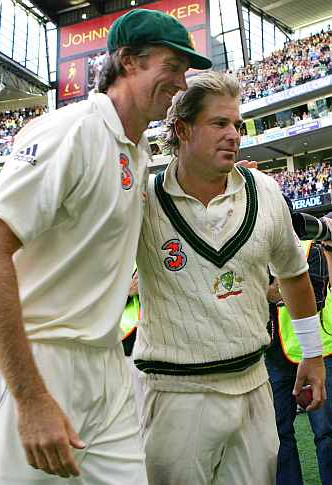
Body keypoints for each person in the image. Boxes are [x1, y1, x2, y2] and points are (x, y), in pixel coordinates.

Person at [0, 9, 211, 485]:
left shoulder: (136, 152)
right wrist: (31, 398)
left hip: (105, 363)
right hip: (39, 363)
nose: (181, 83)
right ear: (128, 61)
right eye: (172, 66)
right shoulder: (70, 131)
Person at [133, 71, 326, 485]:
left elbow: (293, 276)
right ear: (181, 129)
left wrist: (311, 354)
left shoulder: (266, 191)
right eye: (219, 123)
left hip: (252, 384)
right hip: (174, 393)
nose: (234, 135)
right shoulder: (144, 202)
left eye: (236, 125)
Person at [265, 231, 332, 484]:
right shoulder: (254, 254)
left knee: (326, 432)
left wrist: (275, 292)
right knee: (278, 434)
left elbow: (315, 298)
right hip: (275, 355)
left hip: (318, 352)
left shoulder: (309, 249)